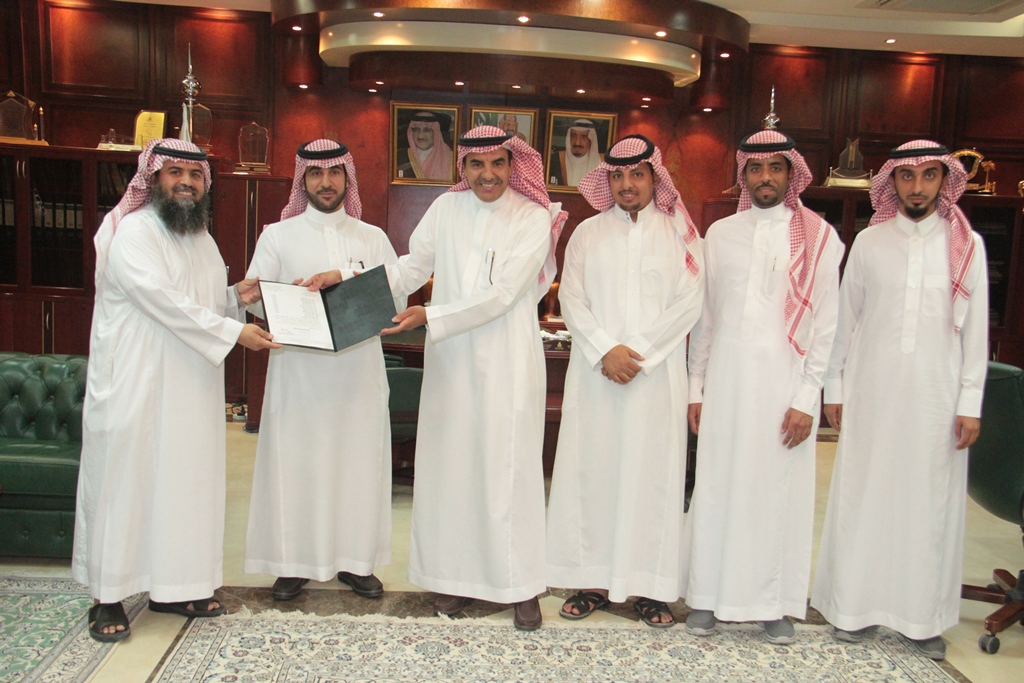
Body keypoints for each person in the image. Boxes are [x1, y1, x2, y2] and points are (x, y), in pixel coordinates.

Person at [307, 125, 565, 630]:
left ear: (513, 166)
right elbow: (408, 269)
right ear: (462, 167)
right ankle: (454, 578)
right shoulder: (446, 208)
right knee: (451, 470)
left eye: (497, 164)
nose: (487, 175)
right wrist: (348, 277)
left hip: (508, 361)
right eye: (476, 165)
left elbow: (505, 294)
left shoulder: (534, 216)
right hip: (451, 363)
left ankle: (520, 585)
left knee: (507, 471)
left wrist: (432, 315)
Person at [72, 138, 280, 642]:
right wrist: (234, 331)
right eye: (175, 173)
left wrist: (235, 298)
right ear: (154, 179)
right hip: (136, 383)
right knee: (126, 485)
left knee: (184, 485)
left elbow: (200, 303)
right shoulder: (133, 232)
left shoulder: (202, 239)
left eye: (195, 175)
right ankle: (107, 596)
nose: (186, 182)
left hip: (189, 386)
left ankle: (174, 587)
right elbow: (163, 301)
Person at [811, 141, 988, 661]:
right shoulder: (869, 242)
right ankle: (853, 608)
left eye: (929, 176)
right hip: (872, 391)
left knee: (928, 507)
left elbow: (976, 332)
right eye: (907, 177)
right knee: (864, 498)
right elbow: (846, 319)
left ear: (944, 181)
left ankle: (921, 619)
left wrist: (970, 401)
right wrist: (835, 387)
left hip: (937, 398)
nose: (917, 187)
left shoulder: (967, 246)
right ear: (891, 182)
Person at [681, 128, 844, 644]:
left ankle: (776, 604)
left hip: (785, 387)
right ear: (744, 175)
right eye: (756, 168)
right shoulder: (720, 234)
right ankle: (707, 596)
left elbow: (826, 327)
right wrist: (695, 387)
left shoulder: (821, 237)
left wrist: (807, 399)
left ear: (792, 173)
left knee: (778, 496)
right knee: (717, 487)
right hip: (727, 383)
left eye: (776, 167)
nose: (765, 177)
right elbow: (706, 318)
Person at [546, 134, 704, 628]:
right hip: (597, 375)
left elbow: (691, 302)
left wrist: (638, 354)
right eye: (617, 175)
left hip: (656, 380)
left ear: (655, 178)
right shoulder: (587, 233)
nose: (626, 184)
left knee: (652, 481)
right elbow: (571, 299)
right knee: (592, 475)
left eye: (637, 174)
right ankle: (590, 582)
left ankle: (649, 588)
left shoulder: (681, 235)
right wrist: (605, 351)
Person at [243, 140, 404, 602]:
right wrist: (272, 301)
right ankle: (293, 564)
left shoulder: (372, 237)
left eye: (335, 173)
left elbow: (396, 298)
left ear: (347, 178)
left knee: (358, 466)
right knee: (297, 466)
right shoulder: (277, 235)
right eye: (316, 174)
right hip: (298, 376)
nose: (326, 182)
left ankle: (357, 562)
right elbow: (258, 303)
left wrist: (349, 280)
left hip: (359, 374)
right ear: (303, 180)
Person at [396, 111, 453, 180]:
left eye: (427, 130)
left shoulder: (451, 158)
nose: (420, 136)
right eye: (416, 130)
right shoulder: (400, 156)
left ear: (436, 132)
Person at [550, 119, 602, 187]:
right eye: (574, 136)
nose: (577, 142)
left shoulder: (601, 163)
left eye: (583, 137)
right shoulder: (555, 160)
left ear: (591, 140)